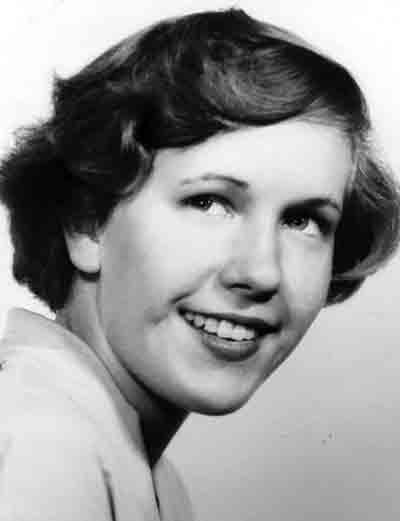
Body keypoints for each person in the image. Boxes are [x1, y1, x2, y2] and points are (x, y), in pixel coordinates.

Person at [0, 7, 399, 521]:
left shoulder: (132, 462)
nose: (261, 272)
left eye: (303, 220)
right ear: (87, 223)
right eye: (208, 202)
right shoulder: (42, 444)